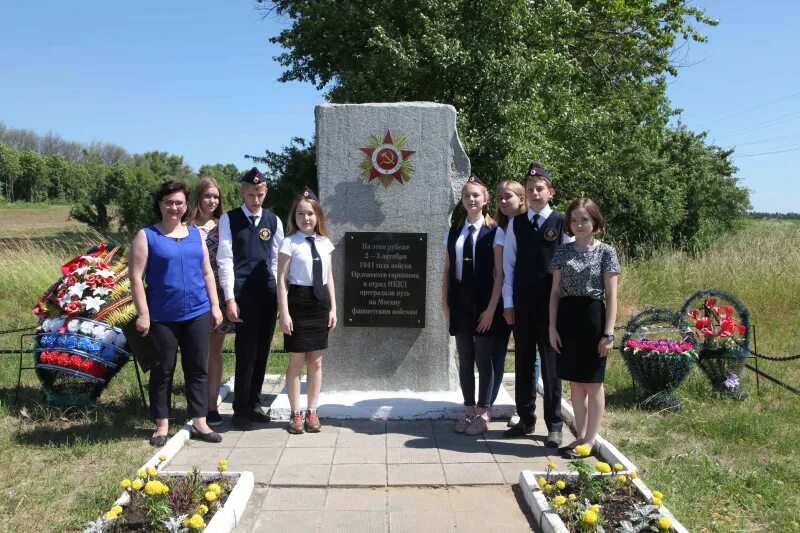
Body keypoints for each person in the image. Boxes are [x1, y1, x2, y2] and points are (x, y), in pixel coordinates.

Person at [129, 180, 224, 446]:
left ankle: (200, 421)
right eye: (169, 202)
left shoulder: (195, 234)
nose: (174, 207)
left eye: (179, 203)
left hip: (197, 312)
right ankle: (161, 424)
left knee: (198, 367)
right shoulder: (147, 235)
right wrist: (143, 313)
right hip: (161, 316)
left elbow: (207, 272)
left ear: (186, 206)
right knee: (163, 370)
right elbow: (136, 277)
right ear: (160, 204)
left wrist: (215, 306)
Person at [502, 163, 572, 447]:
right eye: (529, 190)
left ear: (551, 192)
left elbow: (568, 263)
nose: (534, 193)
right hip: (522, 305)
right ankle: (526, 419)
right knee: (523, 363)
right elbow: (509, 265)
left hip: (551, 307)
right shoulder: (516, 224)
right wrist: (509, 303)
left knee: (552, 366)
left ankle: (554, 424)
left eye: (539, 189)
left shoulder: (560, 222)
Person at [549, 198, 619, 458]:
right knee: (575, 384)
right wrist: (552, 328)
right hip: (567, 318)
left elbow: (611, 296)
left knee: (593, 383)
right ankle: (580, 436)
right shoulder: (562, 252)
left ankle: (590, 439)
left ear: (595, 223)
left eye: (584, 220)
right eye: (574, 220)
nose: (578, 224)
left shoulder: (606, 252)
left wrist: (608, 333)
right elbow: (555, 293)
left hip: (593, 318)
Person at [217, 167, 284, 430]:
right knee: (245, 352)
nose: (255, 199)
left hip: (267, 293)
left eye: (260, 193)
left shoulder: (273, 220)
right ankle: (240, 408)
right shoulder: (229, 219)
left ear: (265, 192)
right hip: (242, 292)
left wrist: (280, 295)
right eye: (251, 193)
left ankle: (255, 404)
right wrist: (230, 298)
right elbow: (225, 259)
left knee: (263, 351)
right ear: (243, 192)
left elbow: (278, 260)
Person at [441, 175, 502, 435]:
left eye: (476, 195)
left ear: (485, 199)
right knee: (464, 358)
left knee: (482, 359)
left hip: (484, 301)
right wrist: (445, 305)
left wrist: (491, 309)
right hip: (460, 301)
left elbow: (499, 274)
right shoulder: (454, 231)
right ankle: (468, 409)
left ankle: (484, 411)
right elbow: (446, 270)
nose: (471, 199)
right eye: (467, 195)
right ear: (462, 200)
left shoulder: (495, 231)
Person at [277, 187, 337, 434]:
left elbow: (329, 276)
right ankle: (295, 414)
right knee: (296, 362)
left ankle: (312, 411)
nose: (306, 219)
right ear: (295, 217)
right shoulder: (289, 243)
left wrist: (333, 307)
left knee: (316, 362)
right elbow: (281, 280)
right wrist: (285, 313)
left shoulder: (325, 242)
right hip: (298, 302)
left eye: (310, 214)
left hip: (320, 302)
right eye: (301, 214)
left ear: (318, 216)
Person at [489, 180, 539, 426]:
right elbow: (500, 270)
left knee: (530, 356)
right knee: (500, 352)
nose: (503, 201)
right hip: (501, 300)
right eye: (499, 197)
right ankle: (488, 402)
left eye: (508, 196)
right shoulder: (498, 228)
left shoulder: (530, 225)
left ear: (522, 199)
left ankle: (524, 409)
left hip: (526, 299)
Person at [187, 177, 235, 427]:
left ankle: (211, 405)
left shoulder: (223, 226)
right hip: (193, 294)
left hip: (218, 292)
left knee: (214, 351)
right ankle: (195, 405)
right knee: (196, 352)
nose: (212, 201)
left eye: (216, 197)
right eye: (208, 196)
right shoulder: (185, 226)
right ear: (198, 198)